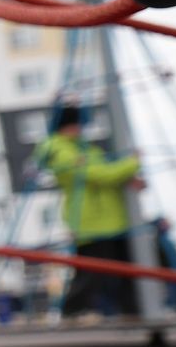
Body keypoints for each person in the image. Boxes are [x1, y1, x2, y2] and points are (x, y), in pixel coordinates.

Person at [37, 104, 144, 319]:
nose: (80, 129)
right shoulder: (59, 151)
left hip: (114, 217)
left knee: (126, 268)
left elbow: (107, 173)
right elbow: (98, 174)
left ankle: (131, 311)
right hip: (91, 220)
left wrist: (126, 178)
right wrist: (131, 164)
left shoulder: (85, 149)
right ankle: (71, 312)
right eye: (76, 124)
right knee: (91, 271)